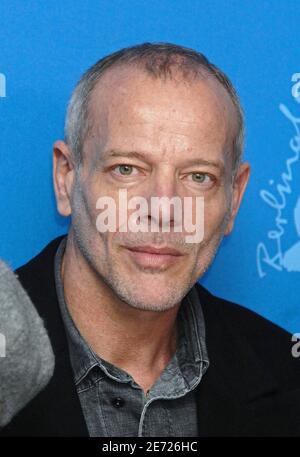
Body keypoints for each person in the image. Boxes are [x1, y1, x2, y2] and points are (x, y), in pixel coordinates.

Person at [2, 42, 300, 437]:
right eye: (127, 169)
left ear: (234, 199)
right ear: (66, 178)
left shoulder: (286, 371)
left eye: (198, 177)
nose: (163, 209)